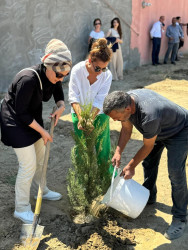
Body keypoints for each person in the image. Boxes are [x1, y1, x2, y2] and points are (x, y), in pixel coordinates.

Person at [0, 39, 72, 224]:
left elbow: (57, 89)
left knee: (41, 158)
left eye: (65, 74)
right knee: (28, 165)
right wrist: (43, 132)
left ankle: (43, 190)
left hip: (32, 118)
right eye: (59, 74)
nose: (61, 78)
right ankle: (21, 208)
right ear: (48, 66)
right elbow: (21, 113)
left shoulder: (53, 75)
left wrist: (61, 105)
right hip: (15, 121)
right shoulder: (28, 79)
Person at [103, 89, 188, 240]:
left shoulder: (149, 115)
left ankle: (180, 218)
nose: (115, 121)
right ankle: (149, 196)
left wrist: (130, 166)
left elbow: (147, 145)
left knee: (175, 172)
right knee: (149, 162)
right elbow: (126, 130)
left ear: (128, 109)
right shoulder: (125, 101)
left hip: (179, 131)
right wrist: (118, 151)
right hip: (159, 129)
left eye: (116, 118)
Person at [69, 38, 113, 174]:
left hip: (99, 114)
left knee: (103, 149)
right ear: (90, 60)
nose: (101, 72)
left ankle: (107, 180)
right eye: (98, 68)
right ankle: (83, 181)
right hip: (78, 112)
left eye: (104, 68)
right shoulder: (77, 70)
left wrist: (90, 119)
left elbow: (100, 100)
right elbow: (73, 97)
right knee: (81, 149)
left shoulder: (107, 75)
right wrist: (82, 118)